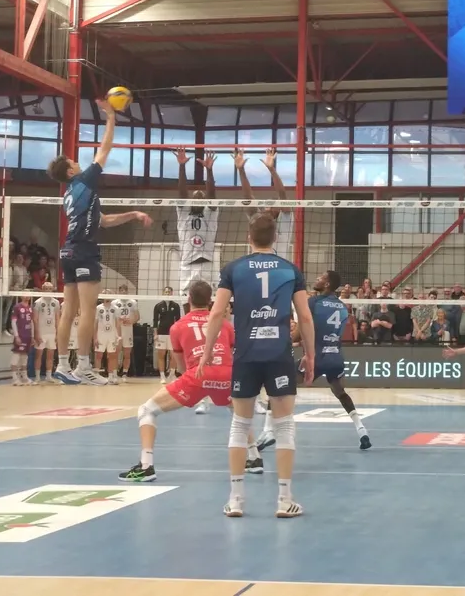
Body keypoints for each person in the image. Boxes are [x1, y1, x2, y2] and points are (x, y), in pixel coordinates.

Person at [197, 212, 315, 519]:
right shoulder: (290, 270)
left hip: (246, 355)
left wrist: (207, 351)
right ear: (275, 238)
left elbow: (217, 313)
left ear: (249, 238)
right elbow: (304, 317)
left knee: (240, 426)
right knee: (285, 426)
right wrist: (311, 356)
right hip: (279, 354)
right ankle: (284, 499)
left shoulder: (234, 269)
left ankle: (236, 500)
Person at [47, 98, 151, 385]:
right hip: (83, 251)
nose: (77, 161)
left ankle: (62, 366)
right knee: (87, 311)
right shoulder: (84, 181)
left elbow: (103, 220)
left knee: (69, 311)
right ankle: (82, 367)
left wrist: (133, 214)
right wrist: (110, 117)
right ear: (70, 171)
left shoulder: (71, 192)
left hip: (68, 251)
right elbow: (104, 149)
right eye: (73, 161)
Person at [119, 280, 263, 482]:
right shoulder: (224, 324)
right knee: (236, 411)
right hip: (227, 375)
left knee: (146, 410)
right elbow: (230, 354)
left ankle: (146, 465)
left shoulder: (178, 327)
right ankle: (254, 457)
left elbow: (182, 367)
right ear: (210, 300)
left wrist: (192, 391)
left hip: (198, 375)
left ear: (188, 299)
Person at [258, 270, 371, 452]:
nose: (317, 278)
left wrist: (287, 340)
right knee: (340, 392)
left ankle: (268, 431)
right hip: (335, 356)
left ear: (327, 284)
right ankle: (362, 430)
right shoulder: (343, 307)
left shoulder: (313, 302)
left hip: (316, 358)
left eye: (321, 277)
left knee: (276, 384)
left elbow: (304, 327)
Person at [174, 148, 219, 304]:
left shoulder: (210, 214)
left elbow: (212, 196)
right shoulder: (184, 214)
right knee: (187, 304)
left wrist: (209, 170)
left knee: (210, 304)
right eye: (195, 194)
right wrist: (181, 166)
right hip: (187, 265)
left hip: (207, 264)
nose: (199, 193)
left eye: (202, 194)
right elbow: (182, 193)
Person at [33, 283, 62, 384]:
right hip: (41, 332)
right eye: (46, 289)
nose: (48, 290)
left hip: (52, 333)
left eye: (50, 289)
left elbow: (58, 319)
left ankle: (48, 376)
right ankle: (37, 377)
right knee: (38, 355)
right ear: (42, 289)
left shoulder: (56, 302)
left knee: (50, 355)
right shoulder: (38, 302)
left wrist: (58, 334)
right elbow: (35, 320)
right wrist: (36, 334)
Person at [110, 285, 140, 381]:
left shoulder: (133, 302)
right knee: (115, 352)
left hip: (128, 330)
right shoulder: (114, 302)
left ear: (127, 291)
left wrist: (131, 321)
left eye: (125, 290)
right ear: (119, 291)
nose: (123, 292)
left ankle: (124, 374)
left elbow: (137, 317)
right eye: (121, 290)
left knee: (127, 353)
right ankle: (114, 373)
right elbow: (111, 317)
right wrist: (119, 320)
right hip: (118, 329)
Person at [153, 286, 182, 382]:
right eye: (165, 292)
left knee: (174, 355)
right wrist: (155, 334)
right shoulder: (158, 306)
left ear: (171, 293)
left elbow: (178, 321)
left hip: (172, 334)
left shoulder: (176, 305)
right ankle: (162, 376)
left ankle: (172, 374)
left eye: (169, 292)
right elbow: (155, 321)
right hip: (161, 333)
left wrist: (178, 335)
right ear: (163, 293)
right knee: (161, 355)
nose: (167, 294)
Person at [10, 294, 34, 386]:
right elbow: (13, 321)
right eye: (25, 294)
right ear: (20, 296)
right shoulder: (17, 307)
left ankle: (24, 377)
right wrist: (16, 336)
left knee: (24, 357)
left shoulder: (30, 308)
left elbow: (31, 322)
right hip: (20, 334)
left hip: (27, 335)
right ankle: (14, 378)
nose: (27, 296)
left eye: (29, 294)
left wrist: (32, 336)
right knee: (16, 356)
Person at [95, 297, 121, 384]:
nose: (107, 297)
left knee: (112, 356)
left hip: (112, 335)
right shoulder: (98, 308)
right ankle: (97, 376)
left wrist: (119, 336)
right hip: (101, 334)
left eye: (109, 295)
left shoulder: (115, 308)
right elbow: (95, 323)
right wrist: (95, 337)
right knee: (99, 355)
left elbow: (118, 323)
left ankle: (111, 377)